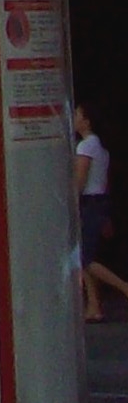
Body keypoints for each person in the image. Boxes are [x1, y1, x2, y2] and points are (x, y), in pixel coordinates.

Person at [77, 104, 128, 321]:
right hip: (100, 203)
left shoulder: (86, 147)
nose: (74, 118)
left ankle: (124, 287)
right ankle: (94, 305)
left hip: (89, 203)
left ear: (87, 121)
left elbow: (79, 181)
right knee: (85, 255)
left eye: (78, 115)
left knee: (84, 258)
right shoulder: (101, 148)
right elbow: (104, 182)